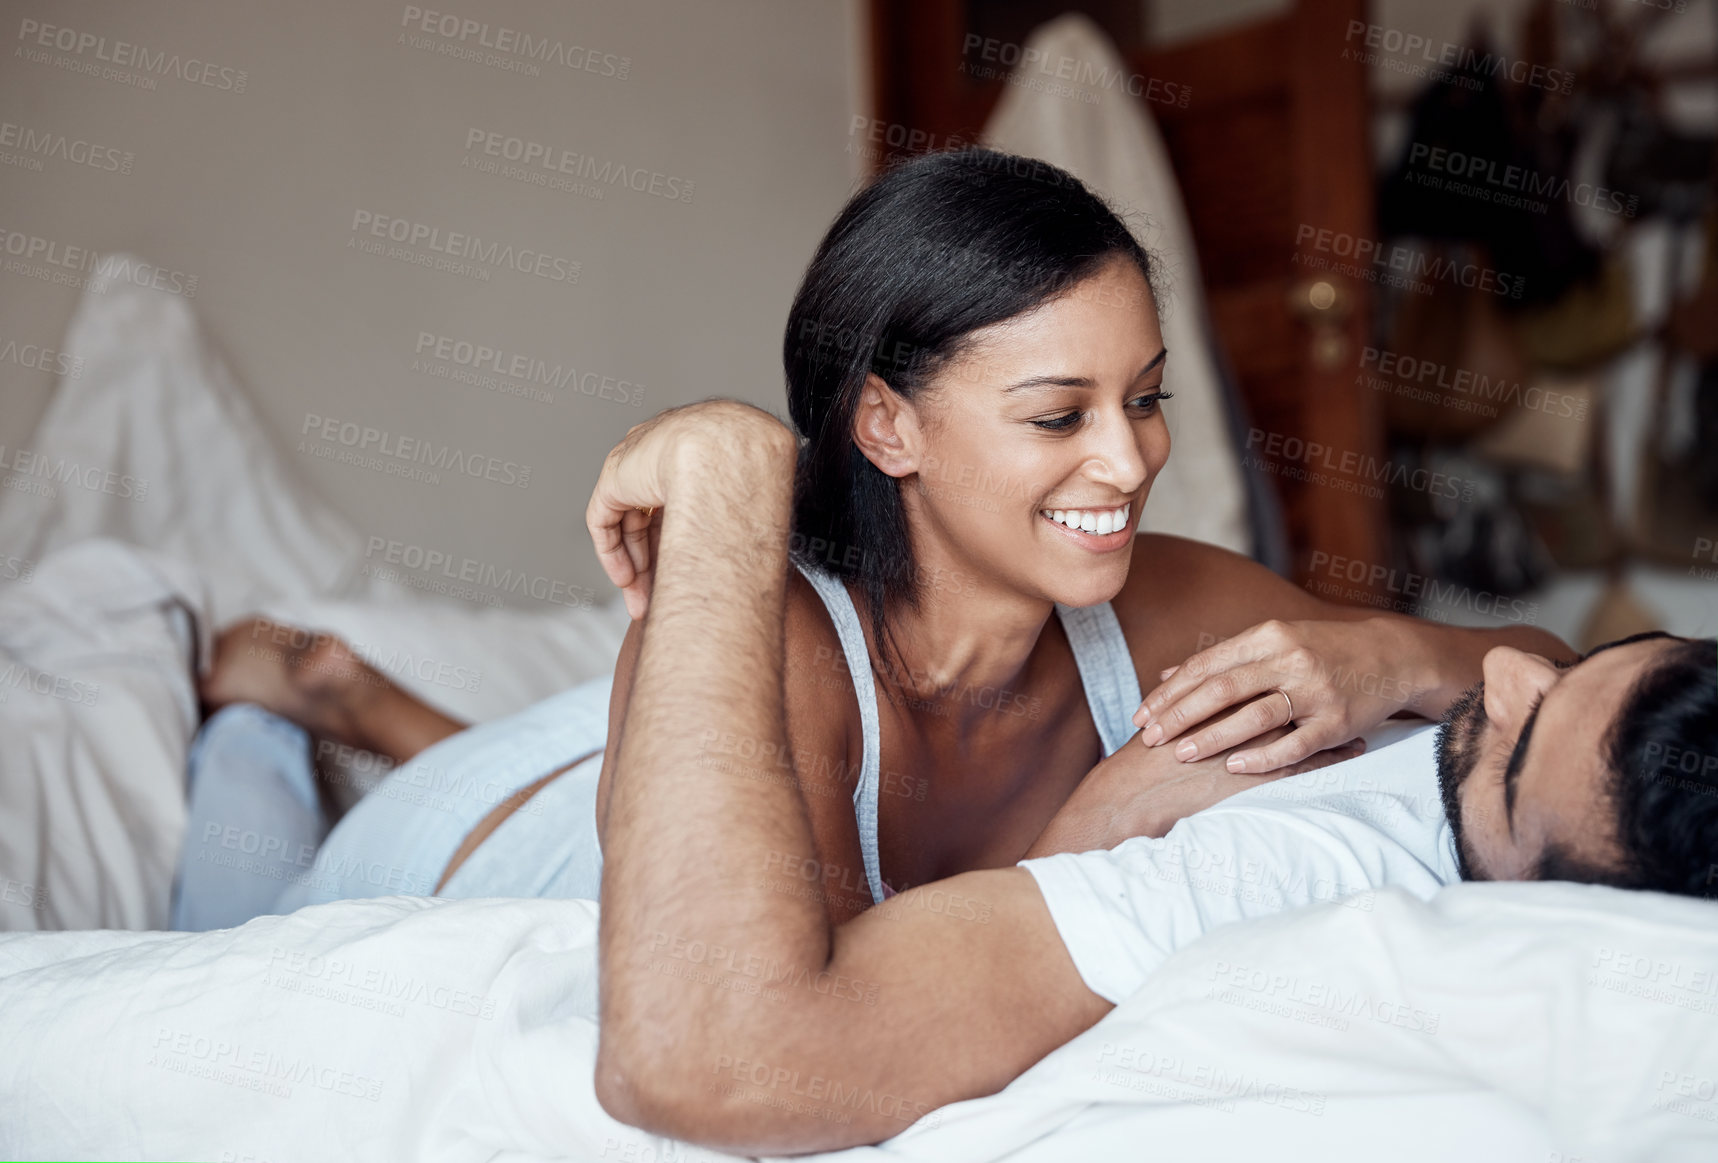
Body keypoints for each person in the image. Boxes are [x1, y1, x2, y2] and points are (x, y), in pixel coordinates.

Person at [175, 147, 1568, 928]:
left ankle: (363, 700)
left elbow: (1551, 671)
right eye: (1055, 413)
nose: (1130, 458)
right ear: (887, 427)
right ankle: (289, 713)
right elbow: (807, 992)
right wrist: (1085, 835)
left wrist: (1381, 653)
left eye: (1143, 398)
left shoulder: (1152, 602)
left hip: (631, 747)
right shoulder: (778, 637)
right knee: (215, 919)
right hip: (471, 849)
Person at [584, 397, 1718, 1155]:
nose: (1512, 669)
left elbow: (715, 1052)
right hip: (625, 728)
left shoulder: (1282, 858)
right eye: (1060, 408)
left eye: (1140, 395)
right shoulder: (1594, 769)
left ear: (1553, 906)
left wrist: (725, 487)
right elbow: (1552, 676)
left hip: (601, 788)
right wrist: (1401, 650)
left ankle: (398, 714)